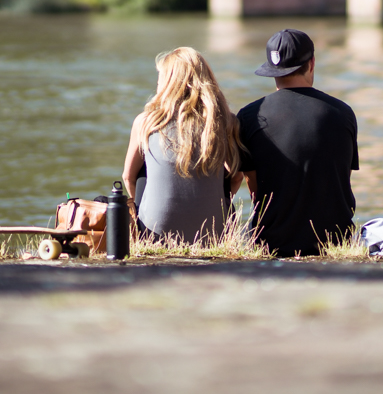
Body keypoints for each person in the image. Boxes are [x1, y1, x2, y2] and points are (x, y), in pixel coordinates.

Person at [235, 29, 358, 257]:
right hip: (336, 243)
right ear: (311, 63)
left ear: (272, 70)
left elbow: (255, 192)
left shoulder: (249, 117)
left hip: (273, 244)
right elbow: (340, 181)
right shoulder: (343, 113)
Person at [120, 47, 242, 243]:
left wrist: (140, 209)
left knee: (145, 170)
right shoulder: (225, 122)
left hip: (155, 234)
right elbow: (237, 177)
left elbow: (128, 176)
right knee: (223, 172)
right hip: (211, 235)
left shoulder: (146, 122)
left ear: (168, 84)